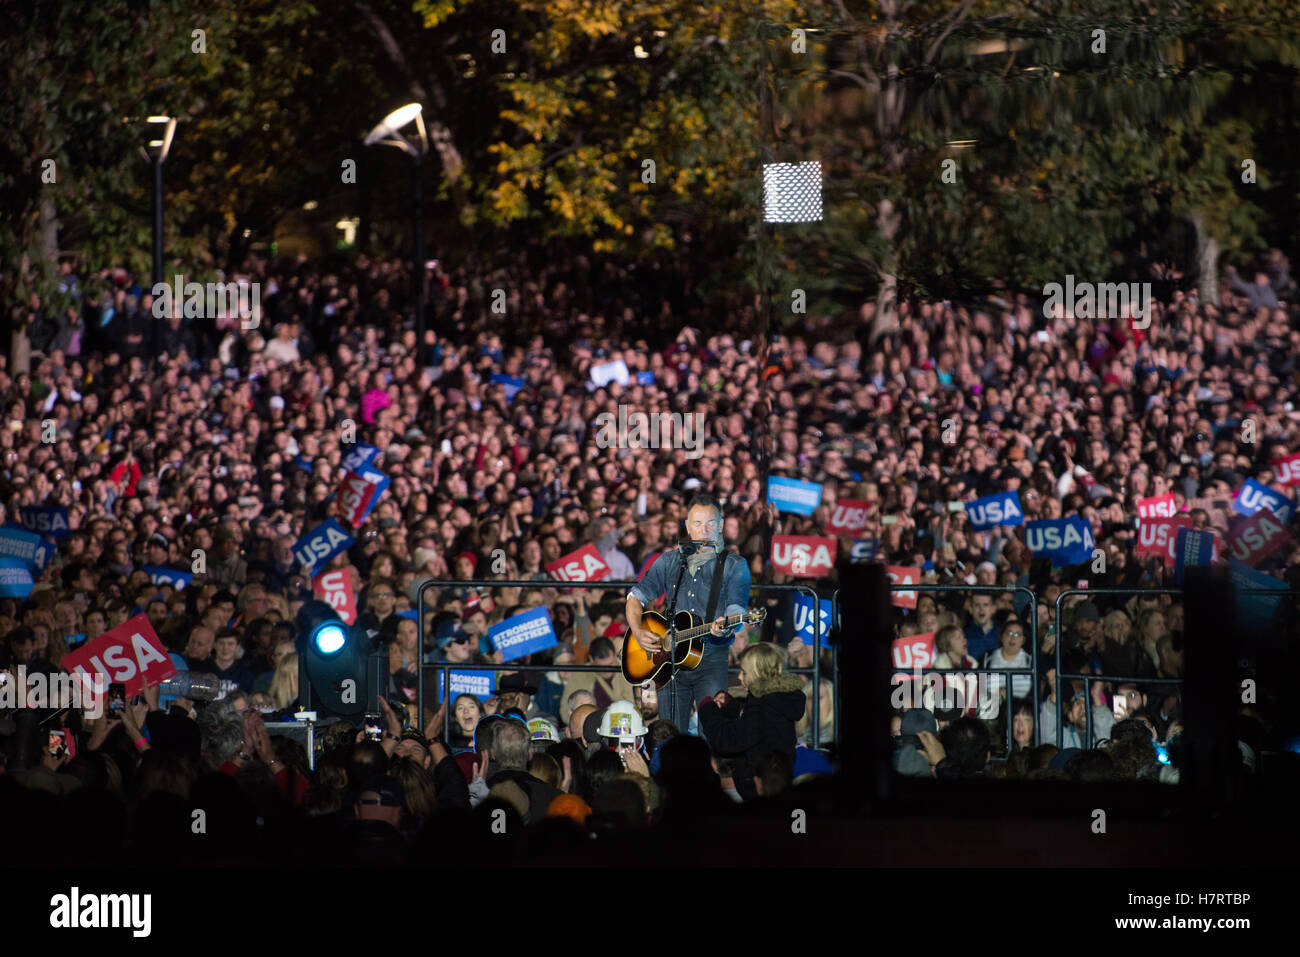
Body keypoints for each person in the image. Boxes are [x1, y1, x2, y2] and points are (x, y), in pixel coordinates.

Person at [625, 492, 752, 733]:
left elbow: (737, 610)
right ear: (687, 527)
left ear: (721, 525)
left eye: (711, 523)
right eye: (697, 523)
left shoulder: (735, 565)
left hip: (712, 657)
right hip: (668, 661)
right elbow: (635, 597)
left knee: (712, 732)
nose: (704, 530)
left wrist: (729, 624)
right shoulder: (671, 560)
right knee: (670, 733)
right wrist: (638, 631)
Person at [696, 642, 804, 801]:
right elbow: (753, 726)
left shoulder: (764, 705)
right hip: (772, 780)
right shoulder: (777, 699)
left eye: (744, 672)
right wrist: (730, 706)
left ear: (757, 674)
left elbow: (730, 740)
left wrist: (707, 709)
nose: (739, 677)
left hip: (759, 786)